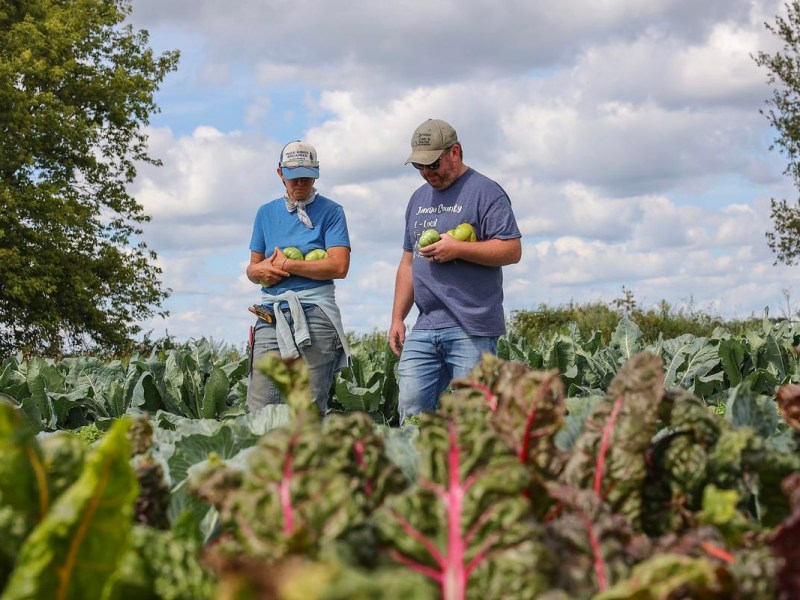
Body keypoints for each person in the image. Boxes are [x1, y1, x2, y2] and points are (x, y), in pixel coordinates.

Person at [388, 119, 522, 422]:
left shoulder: (486, 192)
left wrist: (459, 249)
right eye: (419, 166)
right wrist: (397, 318)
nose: (427, 173)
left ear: (455, 152)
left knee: (473, 418)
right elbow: (408, 262)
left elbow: (512, 249)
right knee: (411, 410)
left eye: (433, 164)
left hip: (472, 326)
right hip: (425, 326)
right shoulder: (418, 198)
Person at [246, 140, 351, 416]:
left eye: (307, 177)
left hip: (315, 312)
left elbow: (339, 266)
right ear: (280, 173)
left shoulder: (332, 211)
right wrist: (258, 272)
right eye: (294, 177)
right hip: (270, 314)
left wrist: (288, 265)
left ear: (316, 174)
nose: (301, 183)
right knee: (261, 409)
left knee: (307, 410)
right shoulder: (265, 213)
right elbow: (253, 268)